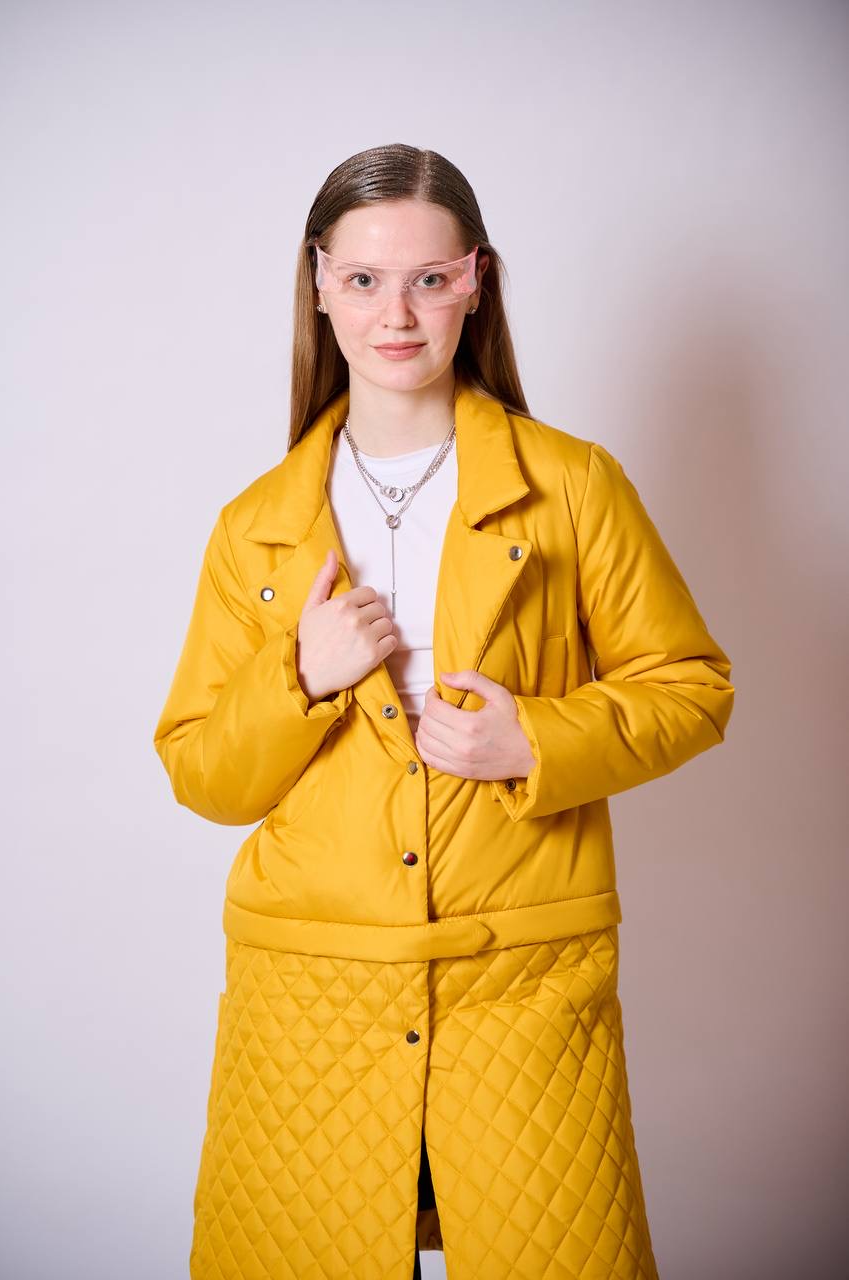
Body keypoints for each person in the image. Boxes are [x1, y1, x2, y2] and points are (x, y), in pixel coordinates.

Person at [153, 143, 735, 1280]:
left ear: (476, 281)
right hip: (312, 992)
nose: (396, 314)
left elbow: (691, 684)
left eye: (428, 278)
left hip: (519, 980)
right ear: (318, 284)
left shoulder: (573, 486)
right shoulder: (253, 527)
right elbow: (203, 774)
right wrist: (299, 677)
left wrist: (537, 739)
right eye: (364, 279)